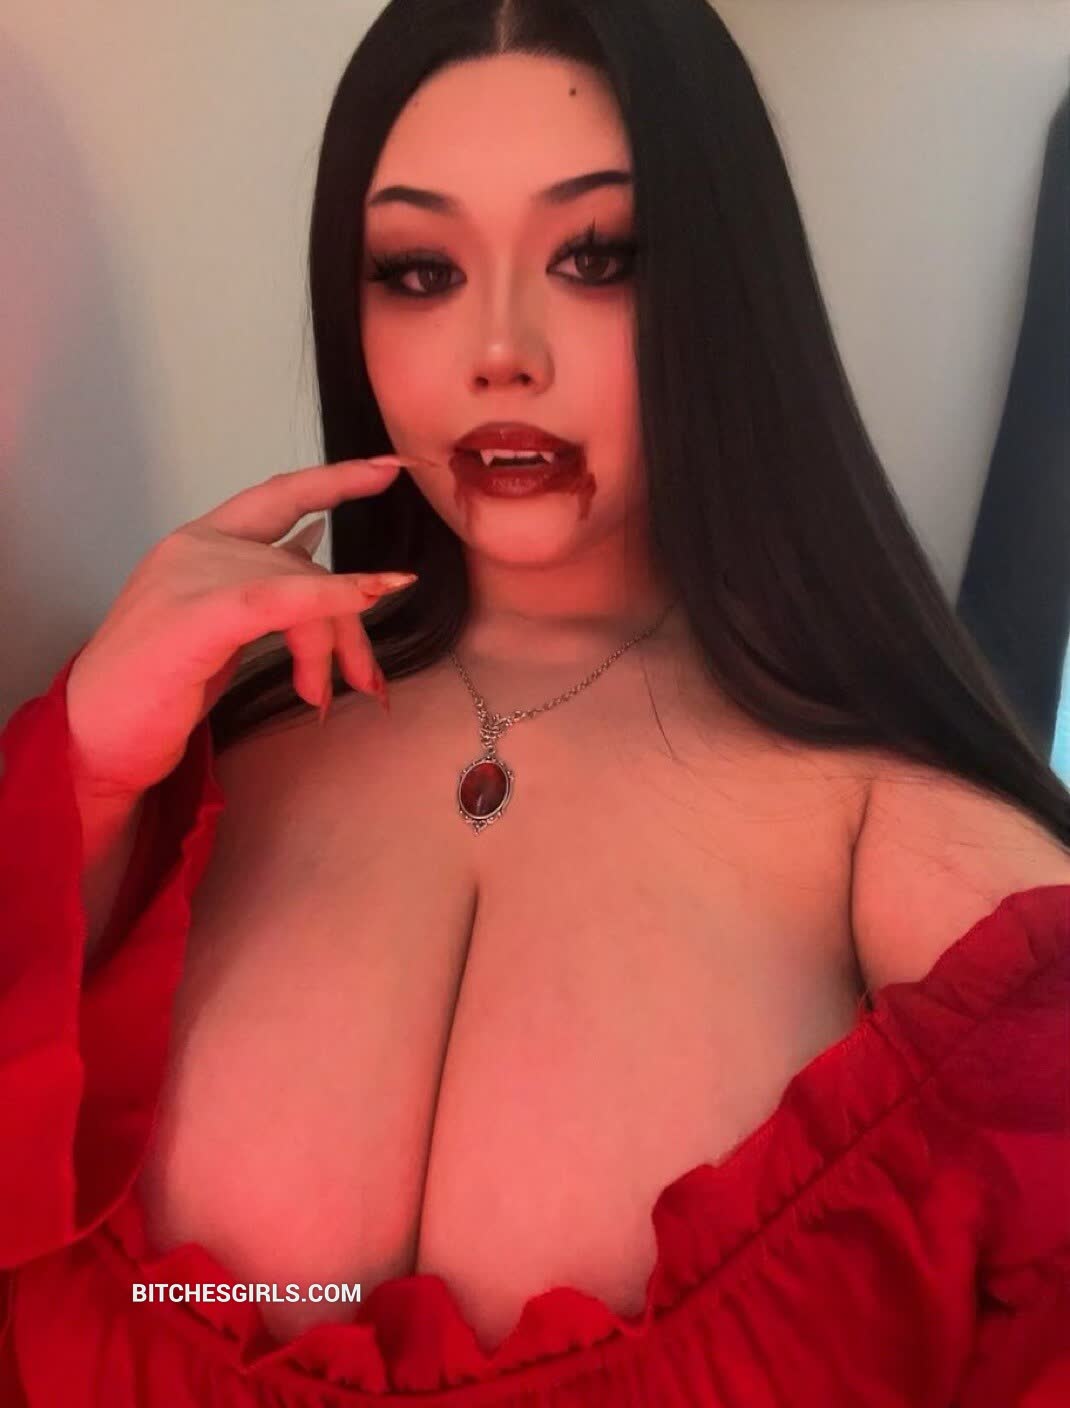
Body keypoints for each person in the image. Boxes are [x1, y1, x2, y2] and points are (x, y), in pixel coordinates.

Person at [2, 1, 1068, 1404]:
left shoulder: (913, 854)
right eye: (420, 270)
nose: (498, 351)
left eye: (596, 256)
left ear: (730, 290)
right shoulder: (189, 762)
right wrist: (78, 776)